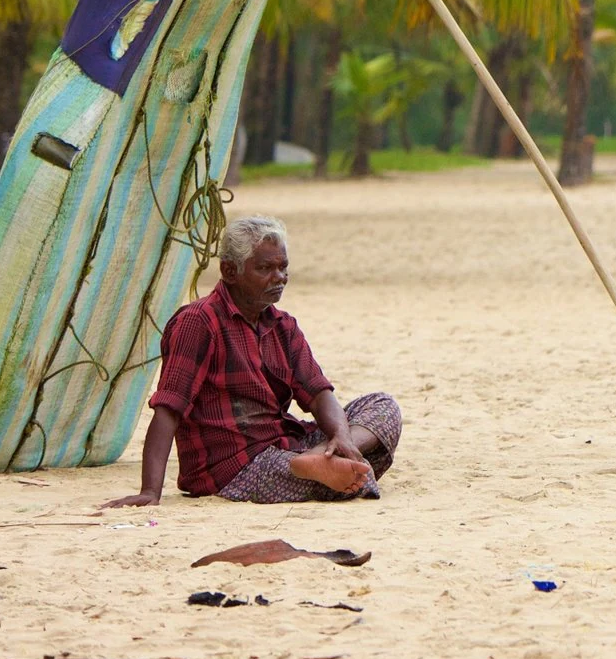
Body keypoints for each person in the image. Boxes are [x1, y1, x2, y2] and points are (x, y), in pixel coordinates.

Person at [104, 216, 402, 506]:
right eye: (265, 268)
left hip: (286, 444)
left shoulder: (283, 326)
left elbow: (319, 393)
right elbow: (169, 408)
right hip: (232, 467)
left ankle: (322, 456)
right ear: (229, 271)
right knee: (359, 479)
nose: (279, 277)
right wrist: (149, 490)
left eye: (283, 267)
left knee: (383, 406)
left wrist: (340, 437)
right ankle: (317, 465)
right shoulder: (198, 322)